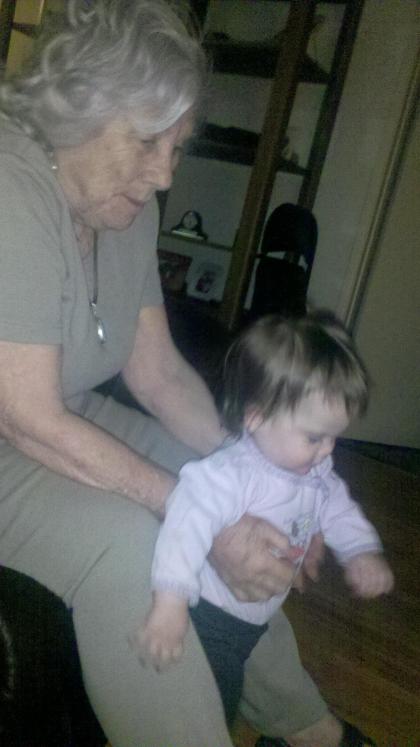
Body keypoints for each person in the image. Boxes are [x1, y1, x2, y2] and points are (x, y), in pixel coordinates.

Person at [0, 1, 373, 745]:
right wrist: (201, 513)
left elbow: (161, 374)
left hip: (56, 409)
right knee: (142, 542)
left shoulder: (123, 208)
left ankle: (306, 728)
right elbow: (28, 417)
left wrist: (265, 474)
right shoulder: (11, 189)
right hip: (21, 423)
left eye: (177, 145)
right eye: (147, 141)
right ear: (78, 109)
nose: (166, 172)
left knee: (221, 478)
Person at [139, 313, 394, 736]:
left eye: (334, 437)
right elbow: (184, 528)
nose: (327, 451)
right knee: (208, 715)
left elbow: (339, 509)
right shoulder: (232, 475)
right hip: (209, 620)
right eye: (315, 437)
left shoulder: (314, 472)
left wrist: (361, 551)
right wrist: (170, 604)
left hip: (252, 623)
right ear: (256, 418)